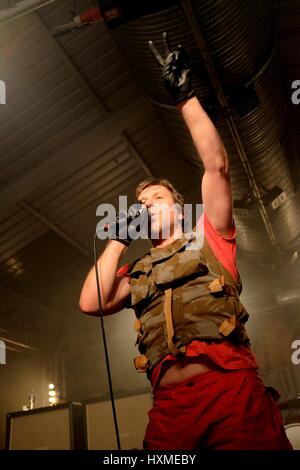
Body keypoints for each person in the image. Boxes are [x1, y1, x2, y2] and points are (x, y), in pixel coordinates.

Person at [79, 33, 292, 450]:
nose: (144, 205)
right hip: (169, 408)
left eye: (154, 198)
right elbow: (91, 303)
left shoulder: (208, 236)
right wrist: (119, 241)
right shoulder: (137, 269)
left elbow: (217, 166)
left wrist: (185, 99)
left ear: (177, 209)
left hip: (229, 392)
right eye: (139, 202)